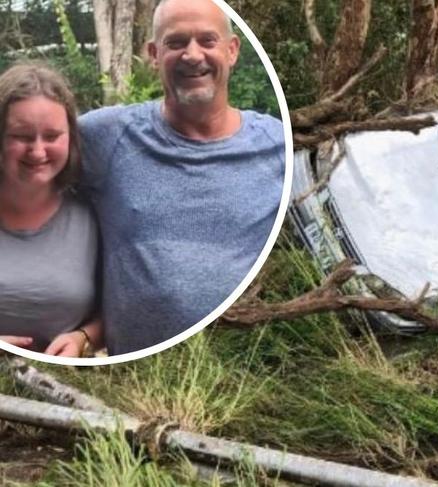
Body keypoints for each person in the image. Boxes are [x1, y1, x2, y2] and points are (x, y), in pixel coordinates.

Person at [78, 0, 285, 355]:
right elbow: (21, 175)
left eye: (207, 40)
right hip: (139, 378)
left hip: (253, 372)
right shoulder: (106, 135)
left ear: (232, 50)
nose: (192, 55)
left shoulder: (277, 145)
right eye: (176, 43)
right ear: (154, 54)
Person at [0, 63, 102, 357]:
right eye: (21, 136)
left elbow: (121, 304)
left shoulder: (94, 213)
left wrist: (85, 338)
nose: (38, 151)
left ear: (71, 137)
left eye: (52, 136)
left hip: (67, 385)